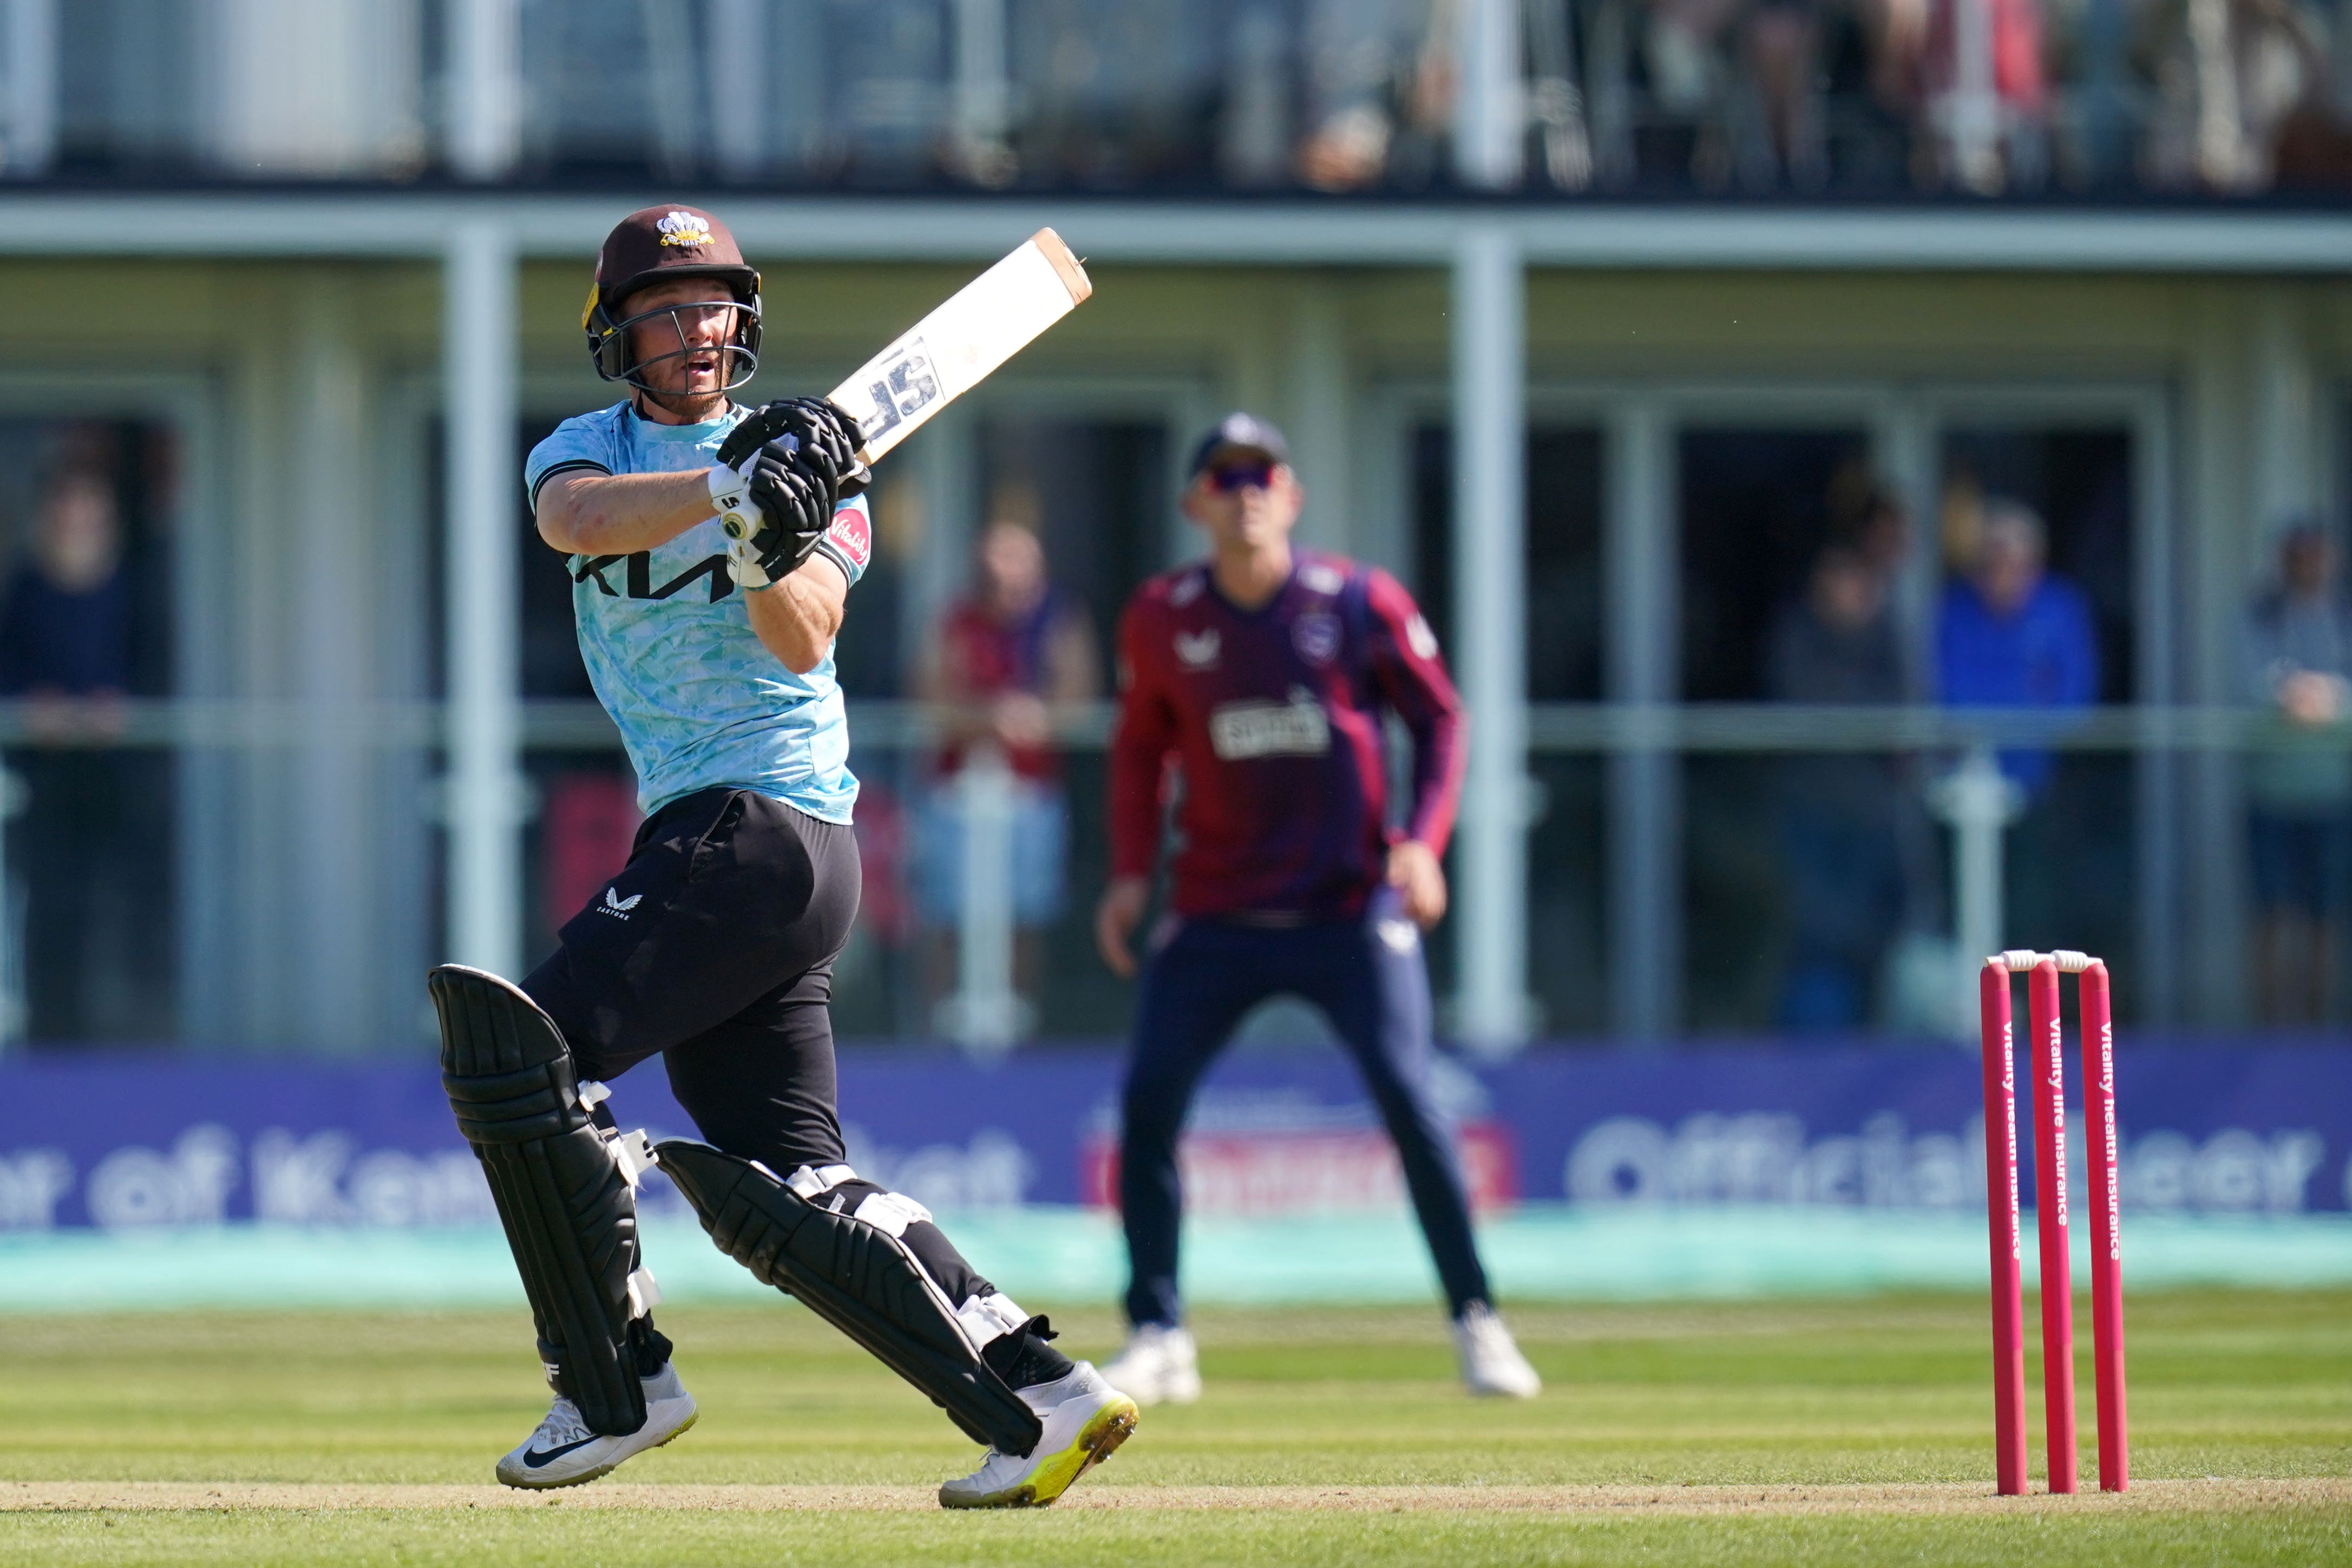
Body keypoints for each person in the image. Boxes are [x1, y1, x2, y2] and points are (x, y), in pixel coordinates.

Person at [436, 203, 1135, 1507]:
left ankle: (612, 1381)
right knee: (786, 1176)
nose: (693, 328)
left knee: (518, 1047)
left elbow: (804, 632)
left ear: (741, 322)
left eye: (711, 305)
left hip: (760, 826)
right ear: (616, 334)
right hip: (736, 847)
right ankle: (1039, 1392)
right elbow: (575, 522)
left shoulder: (819, 465)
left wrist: (768, 530)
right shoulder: (582, 449)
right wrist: (720, 488)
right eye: (663, 307)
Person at [1093, 412, 1541, 1404]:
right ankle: (1158, 1331)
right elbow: (1139, 752)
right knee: (1149, 1103)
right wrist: (1132, 874)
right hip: (1217, 907)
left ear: (1292, 496)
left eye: (1263, 472)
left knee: (1411, 1099)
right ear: (1193, 502)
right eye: (1224, 473)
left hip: (1349, 905)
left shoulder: (1355, 599)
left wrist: (1423, 841)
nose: (1245, 488)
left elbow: (1441, 716)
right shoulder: (1163, 615)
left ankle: (1478, 1320)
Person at [914, 514, 1098, 1027]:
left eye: (1013, 566)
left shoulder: (1059, 617)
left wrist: (1032, 717)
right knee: (946, 916)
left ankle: (1023, 1034)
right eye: (991, 568)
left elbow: (1078, 696)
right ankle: (938, 1037)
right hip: (953, 793)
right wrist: (991, 718)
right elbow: (931, 696)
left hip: (1032, 793)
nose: (1002, 580)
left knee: (1025, 917)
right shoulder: (956, 618)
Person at [0, 467, 134, 1042]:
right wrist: (36, 706)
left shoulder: (130, 588)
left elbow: (149, 663)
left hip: (110, 774)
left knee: (109, 901)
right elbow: (10, 665)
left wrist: (118, 705)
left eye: (90, 515)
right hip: (44, 774)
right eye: (68, 514)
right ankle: (50, 1025)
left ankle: (104, 1024)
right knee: (48, 902)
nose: (78, 527)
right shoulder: (28, 588)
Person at [1763, 543, 1912, 1027]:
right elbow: (1804, 700)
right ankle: (1815, 1053)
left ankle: (1869, 1043)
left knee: (1876, 940)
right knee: (1818, 939)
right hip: (1812, 811)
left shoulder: (1887, 641)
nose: (1855, 594)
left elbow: (1905, 709)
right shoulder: (1798, 637)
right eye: (1844, 583)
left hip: (1873, 816)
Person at [2241, 521, 2352, 1025]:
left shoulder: (2342, 614)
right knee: (2273, 914)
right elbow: (2250, 687)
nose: (2309, 566)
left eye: (2318, 556)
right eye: (2299, 556)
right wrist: (2296, 699)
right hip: (2271, 793)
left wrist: (2327, 700)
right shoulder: (2260, 616)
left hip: (2332, 793)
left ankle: (2317, 1026)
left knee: (2325, 917)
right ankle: (2272, 1027)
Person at [1935, 497, 2098, 797]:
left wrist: (2033, 724)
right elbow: (1951, 693)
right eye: (1993, 562)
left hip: (2043, 777)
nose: (2003, 574)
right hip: (1963, 774)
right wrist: (2029, 696)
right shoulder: (1956, 609)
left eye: (2015, 563)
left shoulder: (2060, 607)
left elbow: (2073, 698)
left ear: (2035, 564)